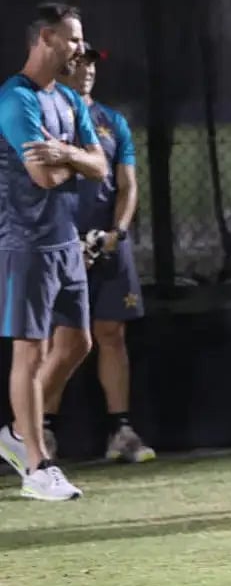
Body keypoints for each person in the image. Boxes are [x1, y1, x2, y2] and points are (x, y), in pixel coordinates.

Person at [0, 2, 108, 500]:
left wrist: (66, 153)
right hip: (27, 243)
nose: (79, 48)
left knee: (78, 344)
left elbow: (100, 165)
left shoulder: (67, 100)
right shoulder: (14, 100)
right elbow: (40, 178)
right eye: (72, 39)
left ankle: (19, 433)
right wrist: (74, 162)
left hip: (66, 243)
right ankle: (36, 466)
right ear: (44, 38)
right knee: (31, 349)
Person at [50, 41, 154, 463]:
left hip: (108, 246)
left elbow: (126, 185)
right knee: (62, 339)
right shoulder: (44, 116)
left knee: (112, 334)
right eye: (79, 63)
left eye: (92, 64)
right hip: (59, 248)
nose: (88, 70)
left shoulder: (113, 121)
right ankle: (39, 434)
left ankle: (121, 432)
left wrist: (117, 233)